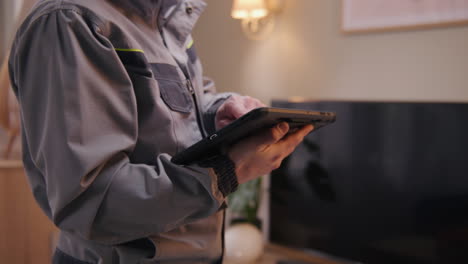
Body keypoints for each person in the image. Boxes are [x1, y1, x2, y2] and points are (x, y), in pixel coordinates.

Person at [8, 0, 313, 263]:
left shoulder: (165, 18)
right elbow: (93, 204)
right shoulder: (71, 21)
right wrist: (228, 170)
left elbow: (177, 108)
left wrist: (218, 110)